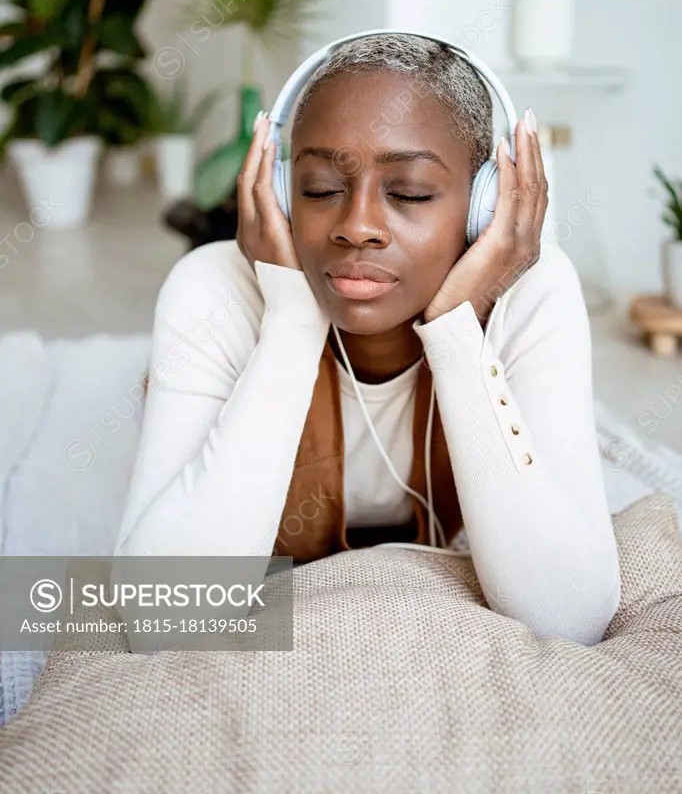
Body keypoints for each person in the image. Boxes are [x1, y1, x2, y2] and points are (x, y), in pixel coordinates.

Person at [113, 34, 621, 645]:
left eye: (408, 192)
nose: (356, 227)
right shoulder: (210, 289)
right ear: (276, 189)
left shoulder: (535, 295)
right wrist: (293, 318)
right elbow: (163, 614)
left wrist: (460, 331)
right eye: (321, 189)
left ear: (487, 204)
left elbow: (567, 615)